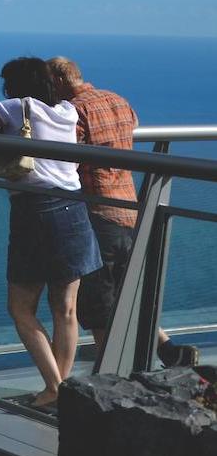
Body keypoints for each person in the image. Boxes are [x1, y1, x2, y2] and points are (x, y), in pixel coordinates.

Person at [0, 57, 102, 409]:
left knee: (20, 308)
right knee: (66, 310)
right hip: (74, 209)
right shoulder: (67, 110)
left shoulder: (17, 107)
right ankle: (59, 390)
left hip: (35, 213)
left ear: (13, 85)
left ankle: (54, 387)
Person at [48, 56, 199, 368]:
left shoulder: (75, 110)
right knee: (125, 288)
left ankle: (108, 369)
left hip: (98, 211)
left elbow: (67, 158)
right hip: (129, 207)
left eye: (49, 84)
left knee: (99, 298)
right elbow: (133, 129)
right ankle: (168, 349)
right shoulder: (118, 99)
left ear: (60, 81)